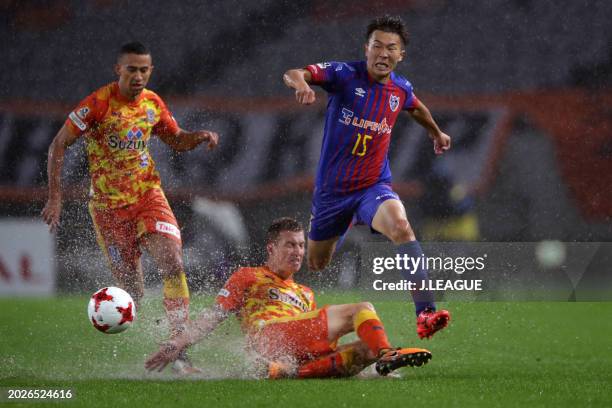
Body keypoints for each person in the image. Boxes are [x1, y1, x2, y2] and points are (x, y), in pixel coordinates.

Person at [41, 41, 219, 374]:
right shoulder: (97, 104)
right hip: (108, 208)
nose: (138, 76)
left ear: (150, 71)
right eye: (132, 69)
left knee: (172, 261)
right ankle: (149, 328)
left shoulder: (152, 103)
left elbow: (175, 138)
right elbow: (58, 145)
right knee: (133, 291)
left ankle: (178, 345)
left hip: (148, 196)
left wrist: (197, 136)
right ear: (118, 70)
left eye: (144, 70)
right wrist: (55, 196)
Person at [283, 15, 451, 339]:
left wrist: (437, 133)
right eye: (377, 46)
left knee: (402, 227)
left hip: (373, 187)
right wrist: (302, 84)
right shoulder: (344, 75)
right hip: (332, 194)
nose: (383, 53)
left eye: (391, 48)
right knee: (317, 263)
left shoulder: (400, 89)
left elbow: (415, 107)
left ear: (401, 55)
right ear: (367, 48)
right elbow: (293, 72)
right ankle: (346, 222)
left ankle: (426, 313)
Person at [145, 217, 432, 378]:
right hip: (268, 336)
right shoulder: (248, 276)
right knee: (363, 308)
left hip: (290, 347)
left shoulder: (305, 293)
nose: (297, 252)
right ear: (271, 248)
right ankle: (387, 353)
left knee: (365, 351)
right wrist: (177, 343)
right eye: (289, 245)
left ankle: (287, 372)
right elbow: (213, 316)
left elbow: (314, 335)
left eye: (301, 246)